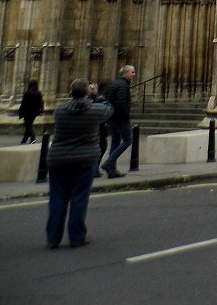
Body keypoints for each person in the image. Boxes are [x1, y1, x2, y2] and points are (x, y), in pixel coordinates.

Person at [46, 78, 111, 248]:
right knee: (79, 199)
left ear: (70, 92)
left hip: (58, 159)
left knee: (57, 199)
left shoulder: (59, 111)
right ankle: (76, 237)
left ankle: (53, 238)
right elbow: (109, 110)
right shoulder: (95, 110)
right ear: (87, 92)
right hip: (84, 160)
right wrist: (97, 96)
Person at [100, 64, 136, 178]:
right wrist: (126, 115)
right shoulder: (123, 85)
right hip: (120, 118)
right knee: (128, 140)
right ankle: (108, 163)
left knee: (115, 142)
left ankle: (112, 170)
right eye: (132, 72)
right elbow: (120, 103)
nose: (134, 75)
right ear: (125, 73)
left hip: (112, 117)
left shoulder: (115, 84)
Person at [16, 79, 44, 144]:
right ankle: (24, 140)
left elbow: (23, 103)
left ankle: (33, 138)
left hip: (27, 112)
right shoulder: (38, 93)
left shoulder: (27, 93)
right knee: (28, 125)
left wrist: (20, 111)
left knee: (28, 125)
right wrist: (42, 110)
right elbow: (41, 102)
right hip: (35, 112)